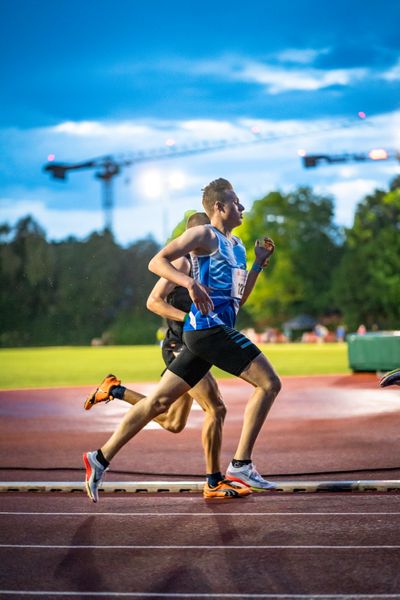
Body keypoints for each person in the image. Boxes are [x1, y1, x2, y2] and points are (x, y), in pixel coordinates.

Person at [83, 178, 281, 502]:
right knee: (269, 383)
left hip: (208, 333)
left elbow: (239, 300)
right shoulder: (204, 235)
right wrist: (189, 283)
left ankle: (99, 458)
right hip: (207, 330)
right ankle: (240, 464)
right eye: (236, 202)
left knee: (160, 405)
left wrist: (258, 263)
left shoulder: (239, 246)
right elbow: (155, 262)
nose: (242, 207)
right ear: (219, 207)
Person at [84, 212, 229, 489]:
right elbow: (153, 302)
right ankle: (214, 482)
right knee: (216, 408)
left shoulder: (207, 267)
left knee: (173, 421)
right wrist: (188, 319)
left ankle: (114, 390)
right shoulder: (182, 263)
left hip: (196, 349)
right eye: (208, 233)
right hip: (179, 347)